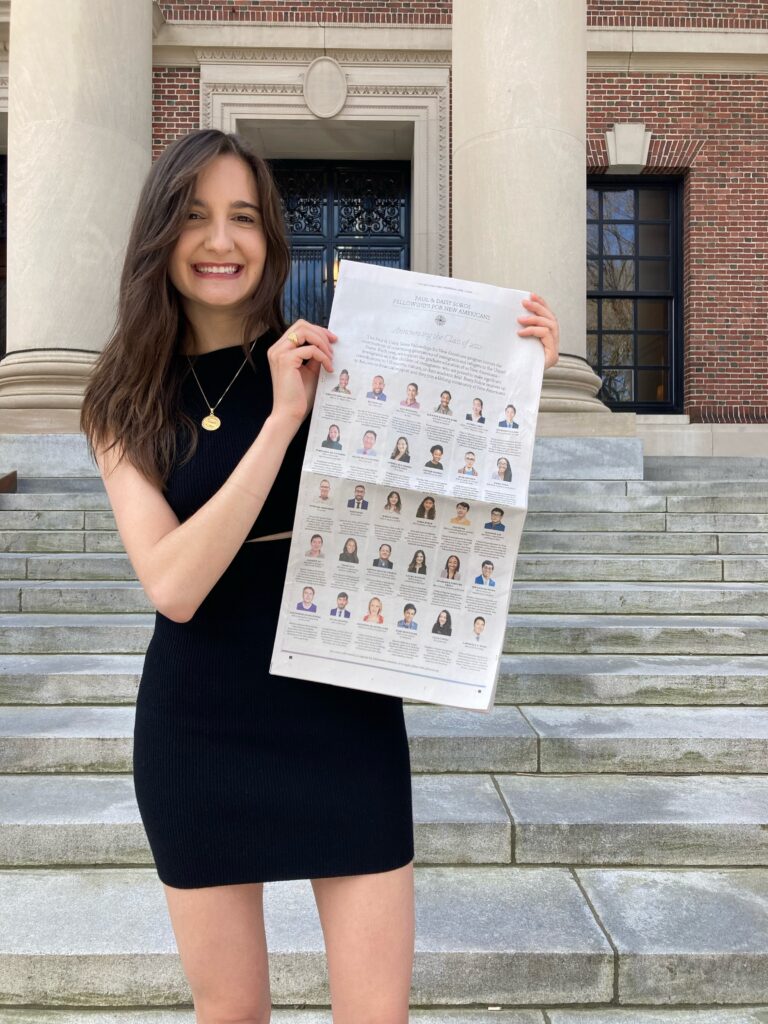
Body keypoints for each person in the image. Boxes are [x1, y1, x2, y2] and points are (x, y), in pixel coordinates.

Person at [80, 125, 559, 1020]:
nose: (221, 241)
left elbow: (446, 496)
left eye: (244, 218)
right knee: (233, 1015)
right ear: (159, 235)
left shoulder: (347, 356)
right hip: (201, 720)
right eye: (194, 217)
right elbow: (174, 585)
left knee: (376, 1014)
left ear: (270, 238)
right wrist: (279, 421)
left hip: (342, 703)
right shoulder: (121, 398)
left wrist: (516, 377)